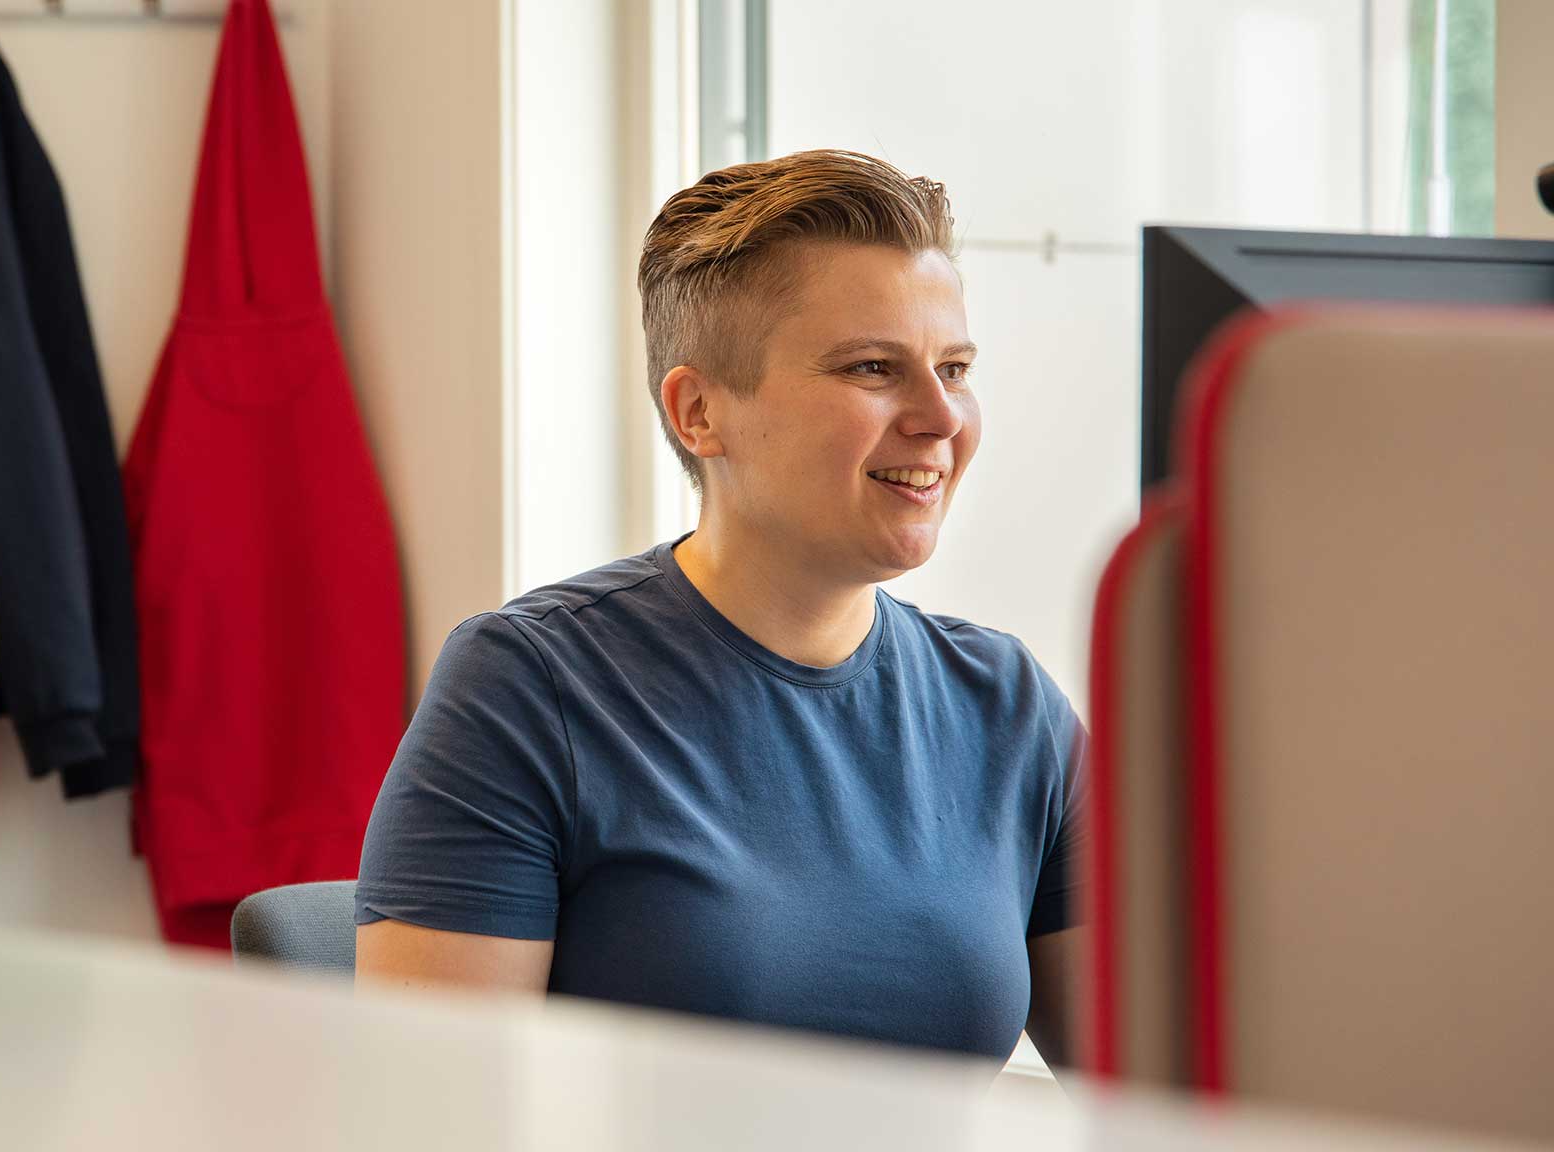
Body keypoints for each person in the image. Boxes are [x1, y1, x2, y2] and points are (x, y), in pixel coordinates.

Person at [353, 150, 1084, 1067]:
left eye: (956, 367)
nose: (941, 417)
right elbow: (430, 1112)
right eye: (871, 367)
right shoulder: (530, 686)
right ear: (700, 412)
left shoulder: (1008, 708)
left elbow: (1176, 1094)